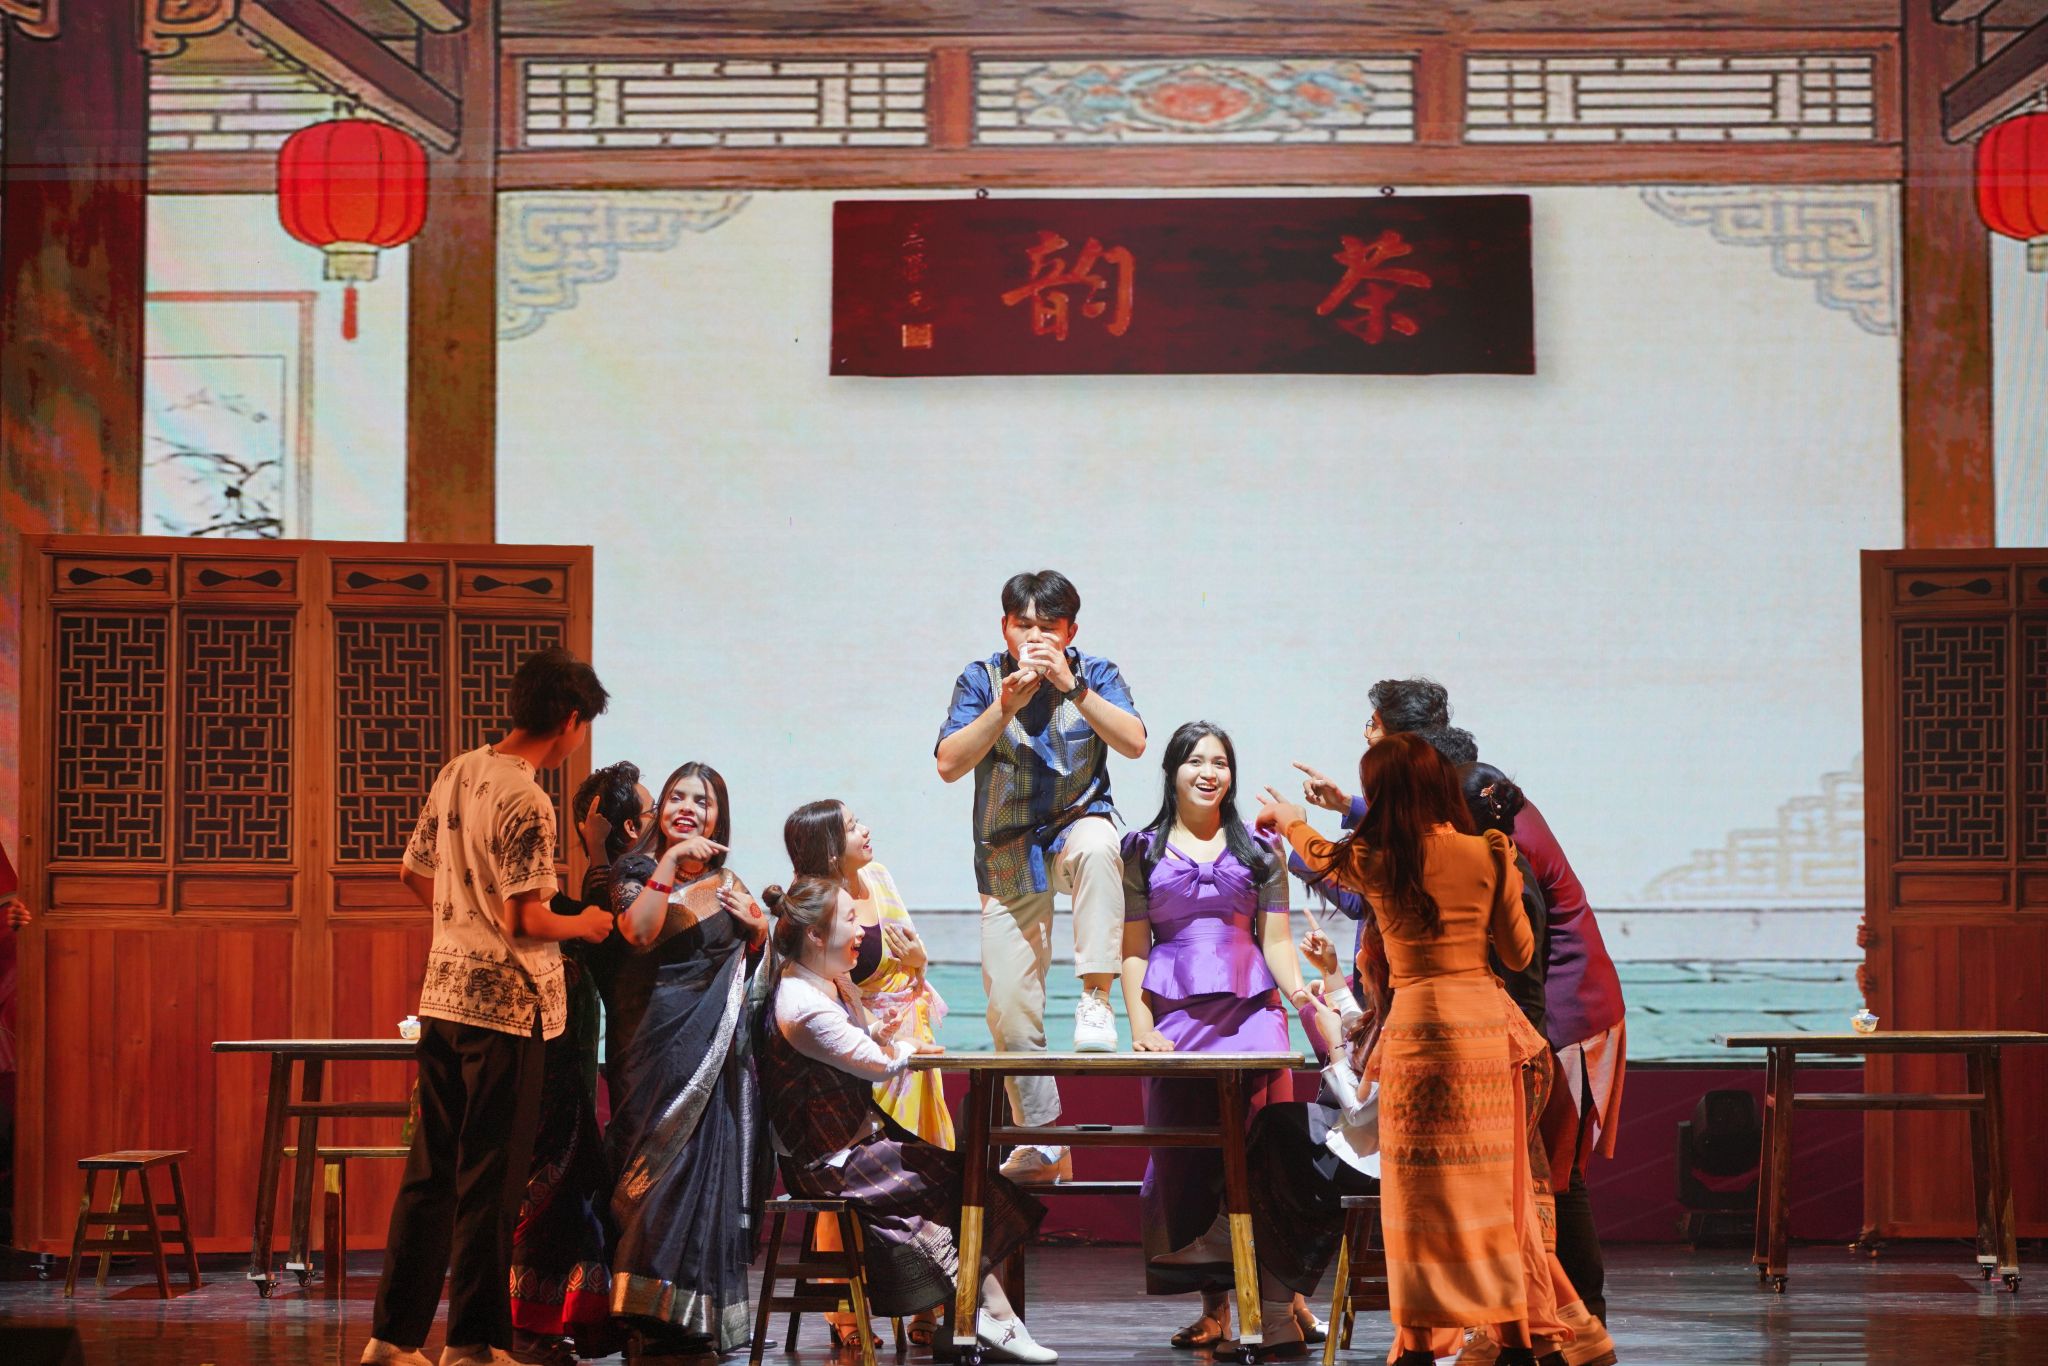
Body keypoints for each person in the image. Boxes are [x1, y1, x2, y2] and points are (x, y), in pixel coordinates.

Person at [1294, 687, 1624, 1324]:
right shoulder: (1465, 808)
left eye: (1374, 730)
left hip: (1555, 1017)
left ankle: (1573, 1318)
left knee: (1551, 1176)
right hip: (1506, 1025)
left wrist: (1519, 1053)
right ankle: (1516, 1323)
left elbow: (1524, 956)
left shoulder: (1482, 820)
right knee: (1517, 1180)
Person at [1257, 733, 1562, 1366]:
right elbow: (1518, 955)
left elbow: (1317, 852)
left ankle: (1420, 1343)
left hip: (1418, 1040)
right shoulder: (1489, 853)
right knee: (1489, 1194)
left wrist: (1288, 817)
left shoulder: (1377, 859)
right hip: (1483, 1041)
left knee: (1418, 1198)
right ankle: (1513, 1339)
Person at [362, 647, 616, 1366]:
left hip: (443, 999)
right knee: (491, 1181)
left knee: (431, 1175)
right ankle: (474, 1343)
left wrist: (460, 923)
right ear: (570, 720)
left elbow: (412, 872)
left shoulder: (458, 772)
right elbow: (525, 919)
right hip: (505, 1011)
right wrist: (585, 923)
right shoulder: (527, 798)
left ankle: (392, 1338)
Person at [756, 877, 1055, 1364]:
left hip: (853, 1144)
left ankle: (971, 1320)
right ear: (814, 934)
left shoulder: (826, 982)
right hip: (827, 1160)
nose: (862, 930)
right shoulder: (802, 1004)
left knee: (960, 1184)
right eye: (850, 919)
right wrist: (906, 1047)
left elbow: (863, 1033)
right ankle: (990, 1316)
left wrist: (890, 1029)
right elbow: (876, 1064)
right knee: (962, 1183)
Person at [935, 569, 1146, 1183]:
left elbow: (1134, 742)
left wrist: (1072, 688)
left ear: (1070, 632)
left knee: (1101, 847)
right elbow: (948, 763)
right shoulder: (980, 679)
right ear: (1004, 626)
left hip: (1077, 824)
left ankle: (1095, 997)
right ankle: (1044, 1140)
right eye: (1021, 625)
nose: (1033, 637)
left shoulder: (1095, 672)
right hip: (1007, 847)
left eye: (1047, 627)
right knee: (1008, 1008)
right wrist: (1004, 707)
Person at [1116, 722, 1305, 1349]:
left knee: (1264, 1154)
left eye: (1220, 762)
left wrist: (1304, 999)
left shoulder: (1263, 850)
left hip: (1253, 1012)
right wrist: (1141, 1025)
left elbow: (1276, 941)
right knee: (1187, 1161)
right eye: (1195, 760)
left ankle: (1283, 1302)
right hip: (1175, 1019)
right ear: (1171, 771)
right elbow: (1134, 947)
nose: (1208, 772)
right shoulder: (1141, 850)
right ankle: (1215, 1309)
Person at [605, 762, 772, 1359]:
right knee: (655, 1178)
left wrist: (758, 935)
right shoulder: (636, 870)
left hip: (711, 1057)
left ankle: (694, 1316)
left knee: (702, 1179)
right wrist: (671, 862)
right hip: (651, 1051)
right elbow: (638, 934)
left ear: (718, 816)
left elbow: (752, 976)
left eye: (702, 801)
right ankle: (645, 1320)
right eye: (677, 796)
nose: (687, 808)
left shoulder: (730, 883)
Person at [782, 798, 951, 1349]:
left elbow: (910, 957)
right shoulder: (815, 903)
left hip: (910, 1042)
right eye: (853, 826)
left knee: (928, 1161)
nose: (866, 830)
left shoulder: (878, 877)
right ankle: (845, 1307)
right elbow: (827, 987)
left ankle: (927, 1298)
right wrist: (876, 1034)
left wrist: (920, 964)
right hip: (859, 1046)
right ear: (830, 846)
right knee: (854, 1177)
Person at [506, 763, 649, 1365]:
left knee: (580, 1197)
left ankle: (571, 1323)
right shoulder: (573, 913)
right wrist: (596, 850)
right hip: (547, 1084)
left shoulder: (611, 901)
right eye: (647, 812)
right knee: (551, 1200)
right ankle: (530, 1327)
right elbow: (602, 927)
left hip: (577, 1082)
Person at [1239, 925, 1383, 1362]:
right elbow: (1369, 1037)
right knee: (1280, 1127)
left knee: (1280, 1139)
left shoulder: (1413, 1012)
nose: (1360, 963)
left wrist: (1334, 1043)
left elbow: (1362, 1108)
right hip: (1374, 1140)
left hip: (1384, 1157)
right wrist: (1333, 977)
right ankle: (1278, 1314)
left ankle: (1276, 1313)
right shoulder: (1399, 1006)